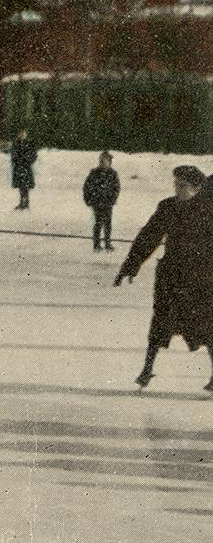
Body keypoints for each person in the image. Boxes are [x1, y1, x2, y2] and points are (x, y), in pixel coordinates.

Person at [114, 165, 213, 391]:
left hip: (201, 279)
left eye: (182, 186)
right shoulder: (168, 207)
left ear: (197, 188)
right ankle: (147, 370)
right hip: (172, 278)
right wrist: (130, 266)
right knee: (160, 323)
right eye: (175, 185)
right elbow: (149, 236)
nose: (177, 189)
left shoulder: (208, 209)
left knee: (207, 327)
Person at [83, 151, 122, 253]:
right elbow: (87, 187)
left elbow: (116, 188)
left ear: (109, 162)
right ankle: (96, 244)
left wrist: (113, 199)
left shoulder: (112, 174)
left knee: (108, 223)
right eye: (101, 161)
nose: (103, 163)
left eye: (105, 161)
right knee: (98, 223)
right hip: (97, 202)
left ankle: (107, 243)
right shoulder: (94, 173)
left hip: (108, 202)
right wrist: (88, 199)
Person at [10, 130, 39, 210]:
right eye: (21, 134)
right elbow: (13, 154)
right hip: (19, 168)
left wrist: (28, 160)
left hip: (25, 167)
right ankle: (22, 202)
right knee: (21, 186)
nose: (22, 135)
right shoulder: (17, 144)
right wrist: (15, 162)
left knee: (25, 186)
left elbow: (34, 155)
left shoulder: (29, 144)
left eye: (24, 134)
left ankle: (25, 203)